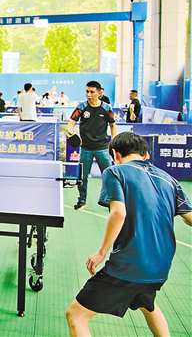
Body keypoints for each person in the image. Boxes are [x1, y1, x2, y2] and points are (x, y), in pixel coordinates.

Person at [65, 132, 192, 337]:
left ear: (115, 154)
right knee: (147, 304)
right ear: (146, 154)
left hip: (129, 266)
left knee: (76, 315)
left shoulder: (115, 172)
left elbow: (118, 213)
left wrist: (101, 252)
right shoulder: (170, 180)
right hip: (159, 267)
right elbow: (190, 218)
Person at [67, 80, 117, 210]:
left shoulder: (107, 108)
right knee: (82, 177)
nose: (88, 94)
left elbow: (113, 124)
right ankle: (82, 200)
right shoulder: (81, 107)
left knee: (109, 176)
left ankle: (108, 200)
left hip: (102, 148)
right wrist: (70, 131)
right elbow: (71, 122)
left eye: (92, 92)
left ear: (99, 93)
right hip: (86, 149)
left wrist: (114, 140)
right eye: (87, 91)